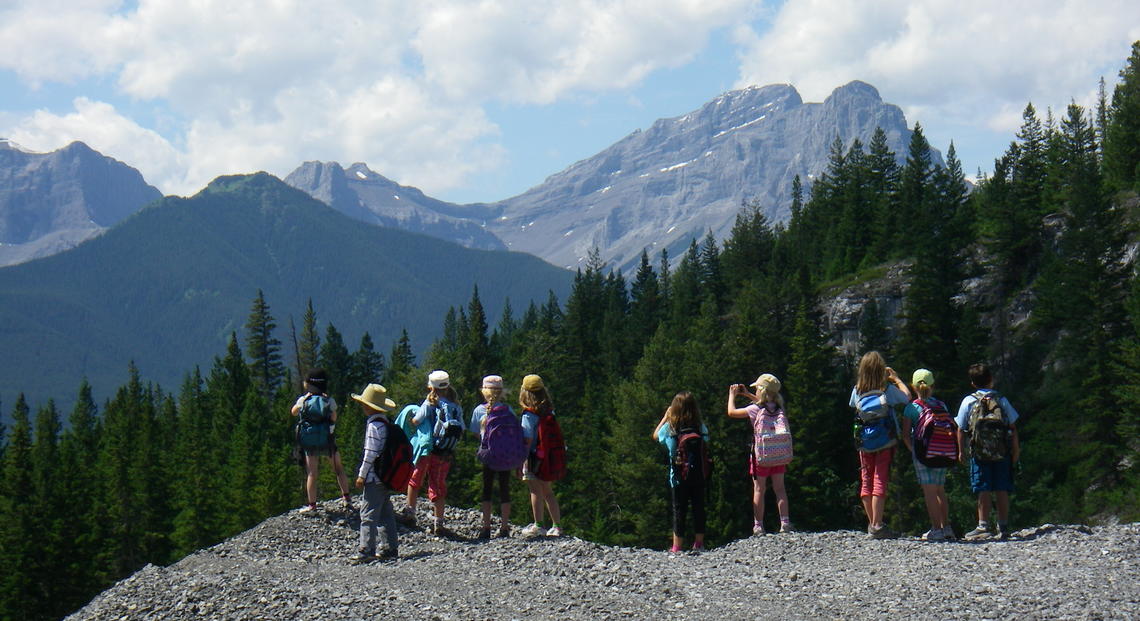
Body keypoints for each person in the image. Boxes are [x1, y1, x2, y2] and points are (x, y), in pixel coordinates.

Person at [849, 351, 910, 538]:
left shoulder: (857, 390)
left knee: (866, 479)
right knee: (880, 479)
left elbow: (853, 406)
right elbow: (907, 397)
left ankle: (872, 523)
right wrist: (897, 379)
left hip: (865, 442)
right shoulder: (886, 390)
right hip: (885, 440)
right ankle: (877, 525)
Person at [956, 363, 1021, 541]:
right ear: (991, 380)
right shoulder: (1001, 400)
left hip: (979, 452)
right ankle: (1003, 525)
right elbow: (1013, 427)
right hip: (1002, 452)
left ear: (973, 383)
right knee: (1001, 488)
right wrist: (1016, 450)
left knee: (982, 488)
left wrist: (961, 451)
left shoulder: (969, 401)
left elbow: (961, 428)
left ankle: (983, 525)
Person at [728, 374, 794, 535]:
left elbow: (732, 412)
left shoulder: (753, 410)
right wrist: (747, 394)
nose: (755, 391)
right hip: (778, 454)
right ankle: (785, 522)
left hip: (761, 457)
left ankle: (758, 525)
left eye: (757, 388)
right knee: (780, 489)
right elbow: (764, 403)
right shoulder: (779, 407)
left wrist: (732, 396)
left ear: (762, 391)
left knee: (759, 489)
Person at [403, 369, 464, 536]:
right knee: (438, 485)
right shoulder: (456, 407)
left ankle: (410, 513)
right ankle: (439, 522)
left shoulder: (429, 403)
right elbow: (462, 428)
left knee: (415, 479)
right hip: (444, 452)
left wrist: (410, 421)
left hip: (427, 449)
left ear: (431, 387)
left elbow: (417, 421)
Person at [900, 368, 954, 541]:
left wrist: (912, 450)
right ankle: (946, 528)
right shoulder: (941, 405)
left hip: (923, 453)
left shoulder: (912, 407)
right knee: (940, 490)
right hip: (942, 451)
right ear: (932, 385)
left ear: (913, 386)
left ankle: (935, 529)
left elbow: (906, 433)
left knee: (929, 491)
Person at [654, 391, 710, 553]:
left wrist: (665, 417)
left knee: (679, 509)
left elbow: (656, 435)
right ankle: (699, 544)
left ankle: (677, 546)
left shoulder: (671, 428)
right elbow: (706, 440)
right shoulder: (699, 427)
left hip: (678, 477)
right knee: (698, 507)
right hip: (699, 475)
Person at [291, 368, 352, 513]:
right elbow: (334, 418)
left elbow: (293, 412)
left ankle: (312, 505)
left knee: (312, 473)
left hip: (310, 443)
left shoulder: (304, 400)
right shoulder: (329, 400)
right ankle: (347, 498)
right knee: (338, 468)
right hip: (327, 440)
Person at [351, 383, 400, 564]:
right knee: (386, 512)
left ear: (369, 407)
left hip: (374, 477)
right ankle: (390, 548)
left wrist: (362, 475)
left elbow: (370, 453)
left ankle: (366, 549)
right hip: (386, 477)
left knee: (368, 514)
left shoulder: (373, 426)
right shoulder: (386, 424)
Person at [470, 374, 521, 539]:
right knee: (504, 489)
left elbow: (475, 433)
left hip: (488, 455)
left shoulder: (479, 410)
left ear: (484, 391)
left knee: (487, 489)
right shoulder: (508, 410)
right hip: (506, 455)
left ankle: (486, 527)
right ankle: (504, 527)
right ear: (501, 392)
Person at [518, 374, 564, 537]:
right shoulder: (549, 411)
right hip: (549, 457)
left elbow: (527, 438)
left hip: (533, 457)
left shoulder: (528, 414)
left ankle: (539, 525)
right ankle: (557, 526)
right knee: (548, 491)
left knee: (534, 489)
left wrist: (520, 458)